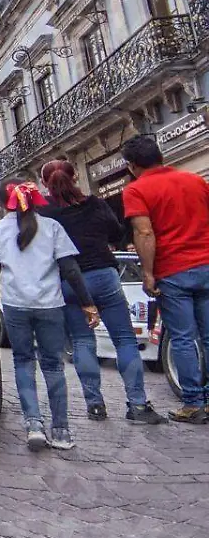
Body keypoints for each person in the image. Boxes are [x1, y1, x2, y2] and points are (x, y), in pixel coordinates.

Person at [39, 158, 166, 424]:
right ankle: (138, 405)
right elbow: (117, 232)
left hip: (69, 284)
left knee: (83, 342)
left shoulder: (45, 215)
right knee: (124, 340)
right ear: (75, 178)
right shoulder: (95, 204)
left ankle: (95, 405)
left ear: (44, 185)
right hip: (104, 276)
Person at [0, 178, 99, 451]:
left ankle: (33, 424)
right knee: (53, 366)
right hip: (50, 304)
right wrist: (87, 303)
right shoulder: (52, 227)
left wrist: (7, 287)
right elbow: (70, 269)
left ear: (1, 203)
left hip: (15, 304)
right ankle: (61, 430)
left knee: (23, 363)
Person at [121, 135, 209, 423]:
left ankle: (194, 403)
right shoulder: (195, 181)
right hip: (207, 265)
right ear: (161, 155)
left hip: (173, 272)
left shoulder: (136, 190)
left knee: (183, 339)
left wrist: (147, 273)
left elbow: (144, 233)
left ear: (133, 166)